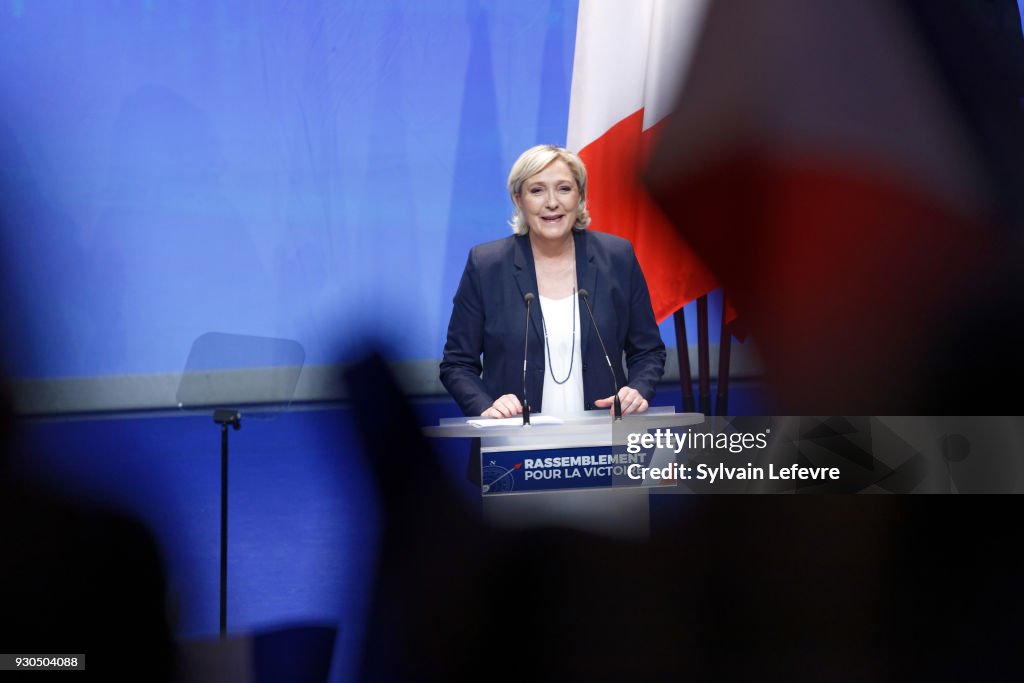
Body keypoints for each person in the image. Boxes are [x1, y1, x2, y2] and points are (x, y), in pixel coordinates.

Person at [440, 144, 665, 418]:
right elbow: (457, 364)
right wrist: (487, 406)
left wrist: (637, 389)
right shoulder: (486, 265)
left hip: (605, 439)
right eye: (536, 190)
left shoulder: (617, 258)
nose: (552, 202)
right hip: (515, 447)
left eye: (564, 188)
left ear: (580, 196)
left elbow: (648, 351)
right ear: (518, 199)